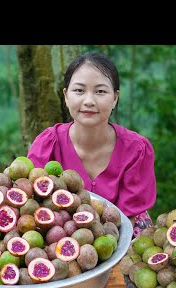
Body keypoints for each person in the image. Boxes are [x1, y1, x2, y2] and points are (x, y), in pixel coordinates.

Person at [27, 51, 156, 238]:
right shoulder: (47, 145)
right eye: (79, 90)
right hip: (58, 235)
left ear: (115, 98)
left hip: (122, 234)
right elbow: (33, 203)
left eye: (100, 91)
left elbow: (130, 217)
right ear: (66, 96)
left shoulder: (137, 150)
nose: (89, 101)